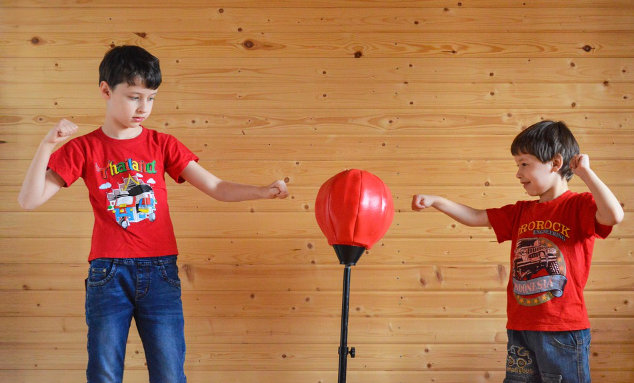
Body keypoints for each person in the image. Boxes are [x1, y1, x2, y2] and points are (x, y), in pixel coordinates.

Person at [17, 45, 288, 383]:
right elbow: (29, 200)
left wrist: (262, 191)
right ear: (105, 90)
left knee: (170, 374)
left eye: (151, 98)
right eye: (134, 97)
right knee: (103, 374)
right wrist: (46, 145)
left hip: (161, 272)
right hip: (108, 274)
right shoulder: (84, 148)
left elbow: (216, 187)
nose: (143, 108)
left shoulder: (162, 144)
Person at [412, 120, 623, 382]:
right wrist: (437, 201)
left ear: (556, 163)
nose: (518, 173)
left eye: (524, 164)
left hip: (562, 330)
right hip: (520, 328)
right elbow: (476, 216)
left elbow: (614, 215)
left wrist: (586, 174)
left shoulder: (579, 205)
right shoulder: (521, 212)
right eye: (517, 165)